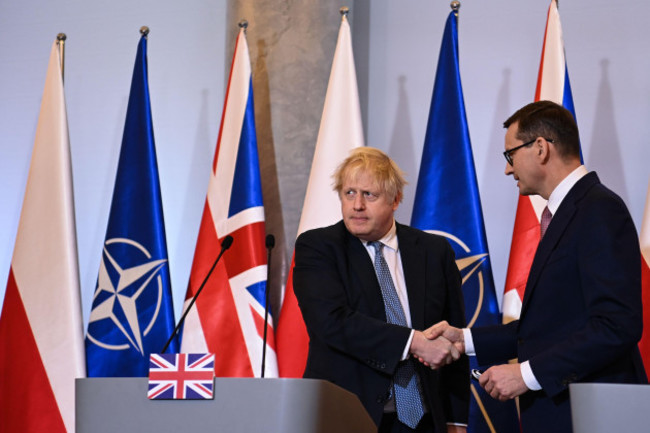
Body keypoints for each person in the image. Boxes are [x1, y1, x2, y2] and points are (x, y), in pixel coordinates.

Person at [427, 100, 647, 433]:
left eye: (509, 155)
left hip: (592, 415)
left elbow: (617, 325)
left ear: (541, 148)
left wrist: (526, 375)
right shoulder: (567, 213)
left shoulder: (599, 211)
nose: (507, 169)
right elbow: (550, 327)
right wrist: (464, 339)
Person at [293, 147, 470, 433]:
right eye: (349, 193)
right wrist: (413, 342)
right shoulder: (318, 247)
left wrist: (456, 419)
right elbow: (330, 322)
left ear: (395, 199)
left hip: (424, 420)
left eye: (369, 195)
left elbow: (453, 336)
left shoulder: (433, 251)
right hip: (346, 417)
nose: (357, 205)